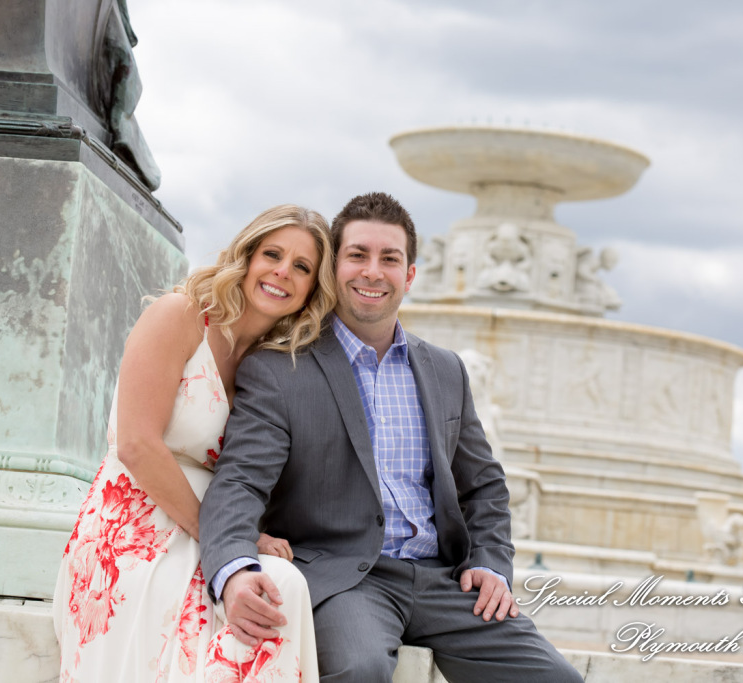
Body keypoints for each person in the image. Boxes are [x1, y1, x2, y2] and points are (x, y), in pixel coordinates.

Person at [200, 192, 582, 682]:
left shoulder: (446, 371)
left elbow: (484, 485)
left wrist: (490, 561)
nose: (372, 272)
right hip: (346, 580)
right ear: (333, 267)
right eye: (357, 255)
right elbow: (240, 482)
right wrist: (233, 570)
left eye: (390, 259)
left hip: (446, 584)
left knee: (556, 679)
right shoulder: (279, 370)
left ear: (411, 274)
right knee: (360, 672)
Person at [53, 204, 336, 682]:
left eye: (302, 267)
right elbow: (136, 445)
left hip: (215, 527)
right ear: (246, 256)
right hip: (132, 525)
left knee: (281, 586)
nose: (282, 272)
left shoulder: (276, 366)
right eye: (272, 254)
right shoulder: (181, 314)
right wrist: (228, 542)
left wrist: (242, 537)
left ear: (311, 289)